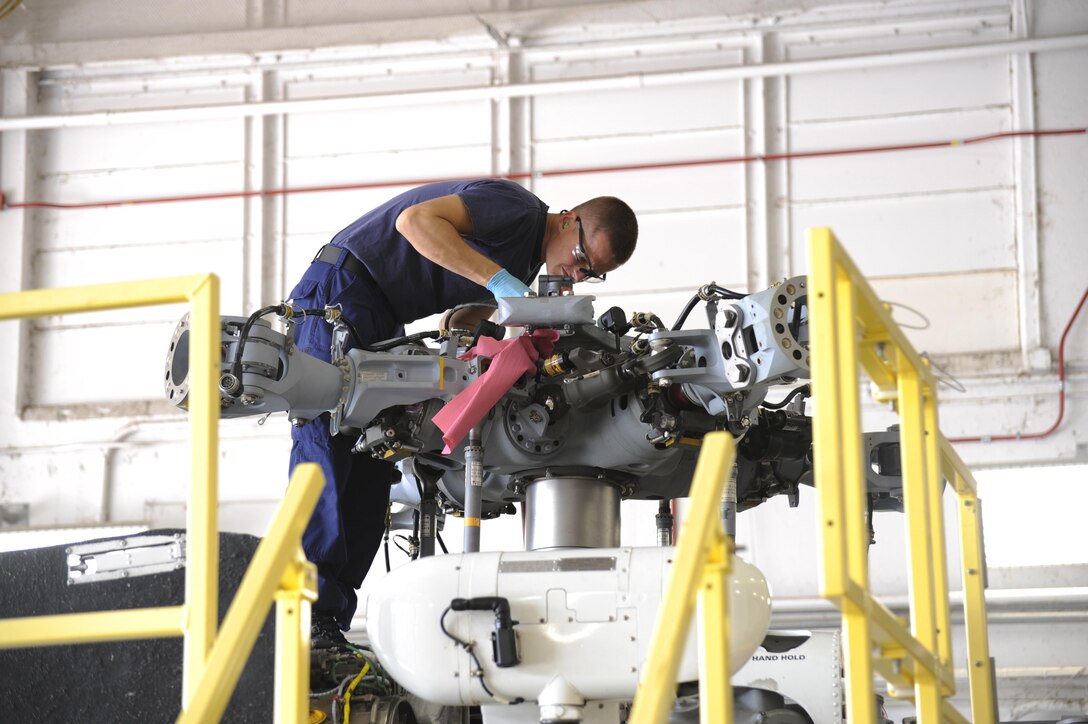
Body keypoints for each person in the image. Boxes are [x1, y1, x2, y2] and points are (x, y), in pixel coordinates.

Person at [286, 178, 638, 648]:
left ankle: (328, 623)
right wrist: (496, 280)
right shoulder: (514, 209)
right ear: (569, 218)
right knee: (327, 440)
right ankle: (301, 614)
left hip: (383, 315)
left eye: (591, 274)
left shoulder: (525, 263)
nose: (576, 275)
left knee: (374, 461)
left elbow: (458, 324)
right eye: (581, 259)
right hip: (342, 292)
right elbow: (414, 222)